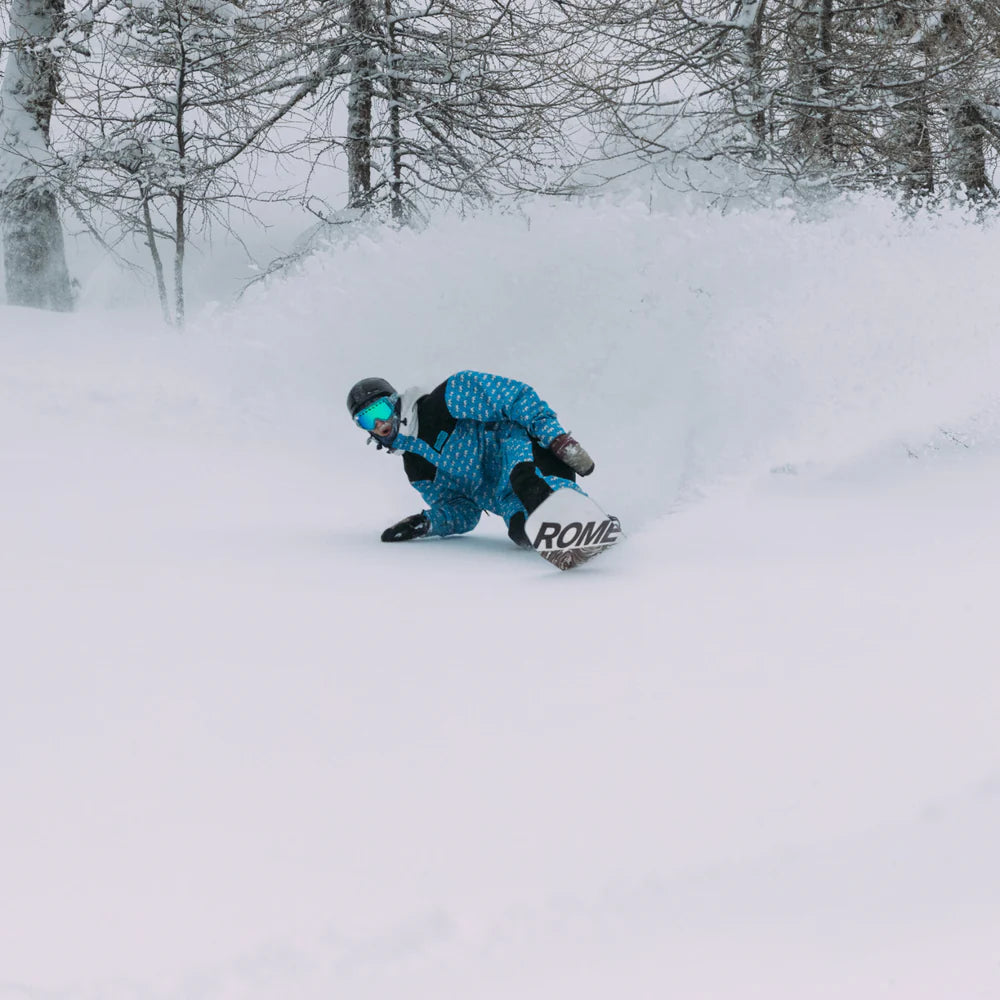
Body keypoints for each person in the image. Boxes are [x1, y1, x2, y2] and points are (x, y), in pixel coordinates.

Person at [347, 371, 596, 547]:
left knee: (529, 485)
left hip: (526, 455)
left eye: (380, 410)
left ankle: (584, 518)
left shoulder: (445, 400)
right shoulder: (417, 468)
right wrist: (427, 523)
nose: (379, 423)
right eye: (367, 420)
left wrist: (557, 438)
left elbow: (516, 397)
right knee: (521, 530)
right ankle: (565, 544)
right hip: (507, 500)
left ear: (394, 402)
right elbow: (464, 511)